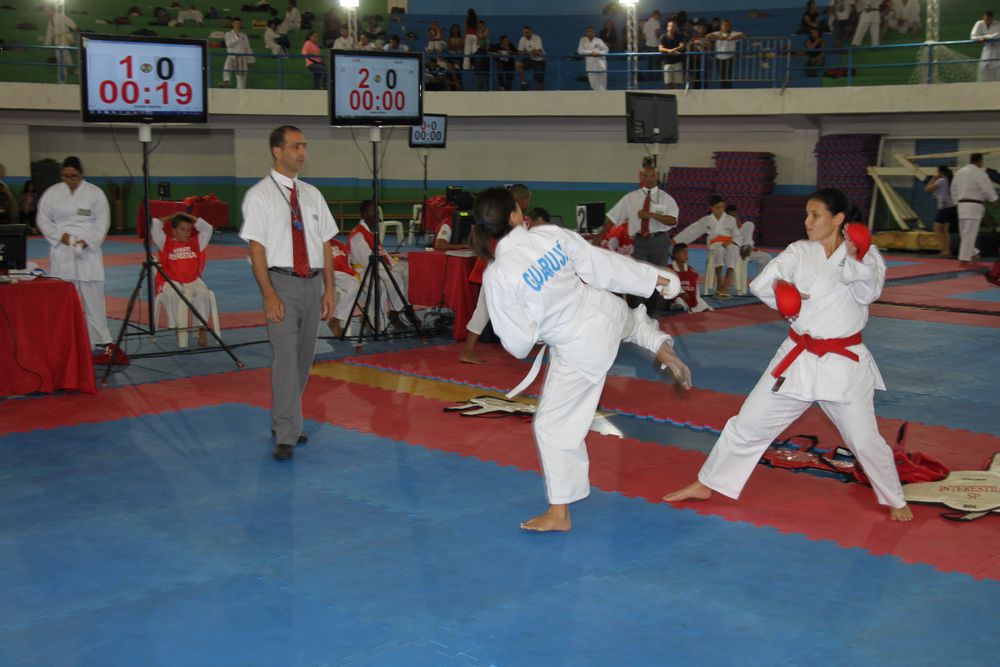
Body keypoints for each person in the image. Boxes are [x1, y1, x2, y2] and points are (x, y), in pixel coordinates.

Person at [664, 188, 914, 522]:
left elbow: (868, 293)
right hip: (797, 356)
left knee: (863, 439)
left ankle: (895, 498)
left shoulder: (865, 255)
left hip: (842, 362)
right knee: (748, 423)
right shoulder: (799, 251)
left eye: (816, 215)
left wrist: (857, 259)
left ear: (838, 219)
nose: (807, 221)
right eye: (807, 214)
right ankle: (708, 483)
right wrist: (784, 290)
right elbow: (762, 283)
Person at [474, 186, 691, 532]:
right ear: (515, 216)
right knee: (629, 322)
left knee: (553, 425)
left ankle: (559, 513)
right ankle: (657, 343)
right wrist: (656, 279)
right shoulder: (547, 234)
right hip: (604, 309)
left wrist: (538, 330)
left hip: (580, 347)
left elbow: (516, 344)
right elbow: (601, 265)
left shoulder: (498, 274)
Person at [240, 126, 338, 460]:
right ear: (277, 151)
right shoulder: (260, 196)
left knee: (303, 358)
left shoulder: (312, 195)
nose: (303, 152)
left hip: (312, 283)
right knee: (284, 357)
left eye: (304, 146)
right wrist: (269, 294)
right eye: (296, 146)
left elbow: (325, 245)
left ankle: (284, 417)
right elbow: (256, 250)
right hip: (281, 282)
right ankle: (286, 431)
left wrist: (330, 289)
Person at [36, 156, 119, 360]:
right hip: (62, 248)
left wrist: (89, 241)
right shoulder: (52, 192)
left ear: (82, 174)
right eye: (66, 176)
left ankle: (101, 340)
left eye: (74, 176)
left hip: (88, 249)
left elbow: (102, 222)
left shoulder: (95, 193)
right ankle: (63, 338)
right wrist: (58, 235)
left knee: (93, 296)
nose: (70, 180)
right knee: (62, 295)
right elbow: (43, 218)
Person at [593, 163, 679, 313]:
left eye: (652, 175)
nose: (649, 178)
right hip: (639, 242)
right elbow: (613, 217)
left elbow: (673, 220)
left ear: (657, 177)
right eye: (646, 176)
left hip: (659, 241)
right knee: (638, 275)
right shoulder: (631, 198)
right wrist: (599, 236)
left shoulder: (666, 199)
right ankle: (637, 312)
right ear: (641, 177)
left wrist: (651, 215)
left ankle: (654, 313)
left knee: (659, 276)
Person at [461, 184, 532, 364]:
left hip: (505, 270)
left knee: (484, 309)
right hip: (501, 271)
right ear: (522, 201)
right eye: (527, 200)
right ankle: (468, 350)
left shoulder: (504, 219)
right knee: (484, 309)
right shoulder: (509, 222)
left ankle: (468, 350)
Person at [151, 212, 215, 347]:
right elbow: (155, 224)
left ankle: (201, 328)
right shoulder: (165, 242)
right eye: (182, 229)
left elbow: (208, 228)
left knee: (203, 293)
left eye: (189, 230)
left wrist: (187, 215)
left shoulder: (197, 243)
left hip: (193, 280)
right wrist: (174, 215)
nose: (187, 233)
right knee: (172, 294)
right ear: (173, 231)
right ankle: (178, 327)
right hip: (172, 281)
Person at [348, 200, 411, 330]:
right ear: (364, 214)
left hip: (376, 267)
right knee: (389, 279)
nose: (377, 214)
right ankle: (377, 321)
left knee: (406, 271)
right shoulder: (358, 235)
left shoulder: (372, 232)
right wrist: (390, 269)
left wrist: (394, 265)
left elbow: (383, 253)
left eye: (377, 211)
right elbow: (368, 262)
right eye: (373, 211)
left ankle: (400, 310)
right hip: (362, 272)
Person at [672, 194, 741, 299]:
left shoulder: (730, 219)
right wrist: (676, 240)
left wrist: (731, 242)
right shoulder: (706, 220)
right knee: (719, 248)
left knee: (733, 249)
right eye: (718, 207)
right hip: (715, 244)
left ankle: (727, 283)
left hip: (730, 242)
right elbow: (692, 231)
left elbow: (737, 236)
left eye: (722, 207)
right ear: (712, 207)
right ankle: (719, 281)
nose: (721, 210)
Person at [950, 152, 999, 264]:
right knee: (970, 233)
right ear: (980, 161)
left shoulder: (960, 172)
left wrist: (956, 202)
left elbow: (953, 189)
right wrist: (993, 199)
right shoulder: (979, 172)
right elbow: (986, 188)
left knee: (964, 232)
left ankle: (973, 252)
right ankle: (965, 258)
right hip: (974, 205)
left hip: (961, 205)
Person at [326, 238, 361, 337]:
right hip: (323, 273)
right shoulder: (314, 242)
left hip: (341, 274)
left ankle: (337, 319)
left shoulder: (339, 244)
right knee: (354, 285)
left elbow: (348, 263)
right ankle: (336, 320)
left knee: (356, 286)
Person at [668, 243, 712, 313]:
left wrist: (696, 301)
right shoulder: (669, 270)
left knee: (705, 308)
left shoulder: (692, 272)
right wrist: (681, 292)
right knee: (679, 302)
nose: (686, 255)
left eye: (687, 252)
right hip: (674, 298)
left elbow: (696, 293)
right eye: (683, 252)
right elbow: (666, 285)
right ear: (676, 255)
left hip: (691, 299)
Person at [41, 2, 78, 84]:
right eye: (44, 11)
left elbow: (69, 21)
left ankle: (71, 65)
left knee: (64, 53)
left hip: (65, 38)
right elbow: (49, 34)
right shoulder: (50, 22)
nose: (46, 12)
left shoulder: (60, 16)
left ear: (51, 9)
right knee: (60, 61)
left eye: (46, 10)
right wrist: (46, 44)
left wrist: (75, 27)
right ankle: (61, 79)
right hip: (58, 41)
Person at [925, 165, 956, 257]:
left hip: (944, 207)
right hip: (950, 206)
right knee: (945, 230)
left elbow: (927, 189)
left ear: (940, 173)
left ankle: (945, 249)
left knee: (937, 228)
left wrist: (933, 179)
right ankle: (947, 250)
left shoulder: (941, 180)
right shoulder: (949, 180)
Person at [731, 205, 772, 271]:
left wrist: (750, 247)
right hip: (734, 251)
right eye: (732, 216)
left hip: (748, 251)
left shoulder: (746, 226)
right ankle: (744, 248)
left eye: (736, 216)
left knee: (766, 257)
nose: (735, 218)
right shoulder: (726, 228)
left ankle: (760, 278)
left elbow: (746, 238)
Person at [708, 18, 742, 88]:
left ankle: (728, 89)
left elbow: (743, 35)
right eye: (724, 25)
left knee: (728, 75)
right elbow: (707, 36)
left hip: (729, 57)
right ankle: (723, 89)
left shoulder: (733, 33)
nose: (725, 26)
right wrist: (718, 37)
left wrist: (733, 37)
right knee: (722, 75)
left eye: (727, 25)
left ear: (729, 26)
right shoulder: (717, 33)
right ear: (721, 26)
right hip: (719, 57)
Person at [223, 18, 254, 89]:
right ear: (232, 24)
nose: (237, 25)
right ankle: (226, 82)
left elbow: (247, 47)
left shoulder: (244, 35)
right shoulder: (228, 34)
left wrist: (250, 60)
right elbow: (228, 45)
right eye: (236, 23)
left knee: (241, 78)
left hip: (242, 57)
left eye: (239, 23)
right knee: (226, 68)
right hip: (231, 55)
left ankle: (241, 90)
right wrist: (237, 37)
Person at [577, 26, 609, 92]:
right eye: (588, 31)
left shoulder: (598, 40)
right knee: (593, 84)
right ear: (586, 32)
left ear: (594, 33)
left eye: (591, 31)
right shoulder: (583, 40)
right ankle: (602, 96)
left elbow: (606, 49)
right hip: (590, 65)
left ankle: (603, 96)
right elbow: (580, 51)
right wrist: (592, 52)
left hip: (601, 64)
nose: (590, 33)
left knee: (603, 84)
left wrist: (599, 53)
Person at [972, 11, 1000, 82]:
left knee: (997, 69)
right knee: (983, 68)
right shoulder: (979, 23)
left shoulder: (998, 24)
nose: (987, 21)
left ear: (992, 18)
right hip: (986, 49)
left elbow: (998, 35)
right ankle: (983, 85)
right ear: (983, 18)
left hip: (997, 49)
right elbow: (973, 37)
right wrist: (980, 38)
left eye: (989, 19)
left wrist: (985, 37)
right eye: (986, 19)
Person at [516, 26, 546, 90]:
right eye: (524, 32)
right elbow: (519, 52)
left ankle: (540, 93)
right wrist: (529, 52)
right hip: (531, 59)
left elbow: (539, 51)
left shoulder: (537, 38)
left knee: (539, 80)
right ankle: (524, 83)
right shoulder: (522, 39)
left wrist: (531, 52)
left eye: (527, 32)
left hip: (540, 60)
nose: (526, 34)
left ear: (531, 32)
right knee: (518, 64)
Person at [659, 19, 685, 89]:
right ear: (668, 27)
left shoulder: (679, 36)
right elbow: (660, 48)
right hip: (667, 63)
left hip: (677, 62)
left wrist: (674, 49)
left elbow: (682, 46)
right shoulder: (663, 37)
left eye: (675, 27)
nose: (673, 28)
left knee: (677, 84)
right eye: (672, 26)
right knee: (668, 84)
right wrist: (670, 51)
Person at [640, 10, 662, 81]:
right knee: (657, 63)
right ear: (656, 15)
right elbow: (657, 33)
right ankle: (658, 78)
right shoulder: (656, 22)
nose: (659, 18)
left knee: (649, 63)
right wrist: (660, 40)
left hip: (647, 45)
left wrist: (648, 38)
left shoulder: (646, 23)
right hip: (655, 45)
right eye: (659, 16)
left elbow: (643, 36)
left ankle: (650, 78)